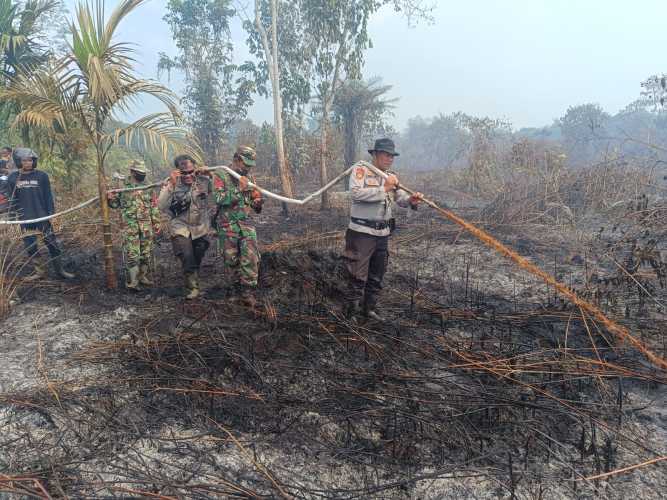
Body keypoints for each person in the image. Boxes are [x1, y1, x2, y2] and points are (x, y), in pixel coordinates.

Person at [342, 138, 422, 322]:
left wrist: (411, 200)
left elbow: (400, 198)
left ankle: (369, 308)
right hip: (362, 232)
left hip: (382, 233)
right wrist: (383, 188)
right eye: (386, 155)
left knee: (377, 273)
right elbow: (355, 194)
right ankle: (350, 313)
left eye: (392, 156)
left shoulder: (391, 176)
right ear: (375, 155)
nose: (389, 159)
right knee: (356, 273)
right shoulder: (361, 170)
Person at [6, 147, 76, 279]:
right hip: (24, 219)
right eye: (25, 160)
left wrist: (52, 215)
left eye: (31, 160)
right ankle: (39, 272)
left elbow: (48, 197)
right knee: (30, 246)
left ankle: (60, 270)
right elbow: (12, 200)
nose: (28, 163)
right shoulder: (13, 178)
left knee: (52, 243)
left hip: (43, 217)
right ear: (19, 161)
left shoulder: (42, 176)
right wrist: (12, 219)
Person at [212, 146, 263, 306]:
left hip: (246, 224)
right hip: (227, 224)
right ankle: (233, 292)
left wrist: (257, 203)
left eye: (250, 165)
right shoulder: (221, 174)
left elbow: (255, 202)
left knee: (251, 258)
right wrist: (238, 190)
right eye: (245, 164)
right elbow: (219, 199)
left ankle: (248, 293)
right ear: (236, 159)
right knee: (231, 259)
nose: (247, 168)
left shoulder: (249, 178)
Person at [158, 154, 212, 299]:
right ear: (178, 171)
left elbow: (217, 194)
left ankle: (192, 272)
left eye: (190, 172)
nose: (188, 175)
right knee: (186, 255)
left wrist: (212, 175)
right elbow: (161, 205)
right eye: (184, 173)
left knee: (199, 251)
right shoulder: (171, 183)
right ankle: (192, 287)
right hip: (180, 226)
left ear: (195, 169)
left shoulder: (204, 180)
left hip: (200, 227)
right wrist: (172, 185)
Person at [107, 160, 160, 290]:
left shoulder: (148, 186)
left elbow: (153, 205)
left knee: (146, 252)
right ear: (132, 172)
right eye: (139, 172)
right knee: (132, 253)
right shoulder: (123, 185)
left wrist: (157, 222)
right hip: (130, 226)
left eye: (143, 172)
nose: (142, 175)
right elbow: (116, 204)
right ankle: (133, 282)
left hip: (146, 226)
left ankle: (143, 277)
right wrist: (110, 198)